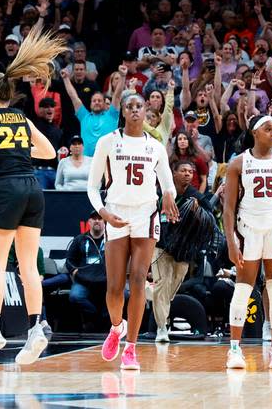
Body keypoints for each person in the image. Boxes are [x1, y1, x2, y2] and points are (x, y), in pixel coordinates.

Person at [0, 25, 64, 365]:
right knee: (28, 268)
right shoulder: (20, 117)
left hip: (5, 189)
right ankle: (36, 328)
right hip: (33, 187)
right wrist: (18, 153)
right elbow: (49, 152)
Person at [86, 92, 178, 370]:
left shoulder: (156, 147)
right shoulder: (108, 142)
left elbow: (168, 184)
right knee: (115, 288)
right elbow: (92, 187)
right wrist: (103, 213)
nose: (135, 110)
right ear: (123, 112)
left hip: (146, 215)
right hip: (116, 213)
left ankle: (131, 349)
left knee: (138, 280)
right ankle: (116, 327)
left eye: (140, 106)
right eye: (130, 106)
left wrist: (169, 196)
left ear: (146, 110)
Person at [222, 115, 272, 370]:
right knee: (243, 287)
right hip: (248, 229)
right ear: (255, 132)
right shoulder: (238, 163)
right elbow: (228, 209)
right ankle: (234, 350)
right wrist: (231, 242)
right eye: (268, 129)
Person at [152, 160, 215, 343]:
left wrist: (197, 213)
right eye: (183, 170)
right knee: (163, 284)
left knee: (171, 288)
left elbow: (210, 218)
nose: (187, 173)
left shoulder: (196, 196)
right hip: (161, 246)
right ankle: (162, 328)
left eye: (190, 171)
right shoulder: (162, 193)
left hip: (184, 249)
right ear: (174, 173)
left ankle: (160, 307)